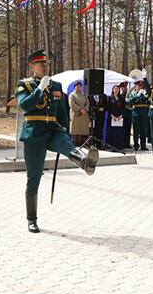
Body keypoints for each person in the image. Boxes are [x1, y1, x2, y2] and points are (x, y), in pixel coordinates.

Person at [16, 49, 98, 234]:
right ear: (33, 66)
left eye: (46, 64)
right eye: (41, 64)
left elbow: (61, 112)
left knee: (65, 144)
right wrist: (39, 89)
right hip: (34, 133)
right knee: (34, 177)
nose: (44, 67)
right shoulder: (25, 85)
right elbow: (24, 106)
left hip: (53, 129)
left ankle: (85, 162)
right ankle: (32, 219)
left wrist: (65, 132)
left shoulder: (56, 85)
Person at [128, 81, 150, 151]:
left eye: (141, 86)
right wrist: (137, 95)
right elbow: (130, 100)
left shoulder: (144, 93)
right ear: (136, 86)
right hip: (136, 114)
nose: (140, 87)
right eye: (138, 86)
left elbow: (149, 101)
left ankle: (143, 145)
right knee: (136, 131)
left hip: (144, 114)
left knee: (143, 131)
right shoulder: (133, 93)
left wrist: (146, 96)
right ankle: (136, 145)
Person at [105, 84, 127, 150]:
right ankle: (112, 146)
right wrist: (112, 116)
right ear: (112, 90)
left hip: (119, 118)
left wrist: (121, 116)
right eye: (115, 89)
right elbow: (108, 107)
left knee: (119, 132)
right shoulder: (110, 98)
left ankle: (119, 146)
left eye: (117, 89)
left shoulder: (121, 98)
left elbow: (124, 108)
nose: (116, 90)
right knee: (112, 132)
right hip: (112, 117)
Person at [68, 81, 90, 147]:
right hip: (76, 114)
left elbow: (87, 103)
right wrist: (80, 109)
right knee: (75, 130)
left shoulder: (84, 94)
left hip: (83, 115)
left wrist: (85, 110)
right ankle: (74, 143)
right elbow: (72, 104)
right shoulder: (72, 95)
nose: (78, 88)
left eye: (80, 86)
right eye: (77, 86)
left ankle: (80, 144)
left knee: (81, 130)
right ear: (74, 87)